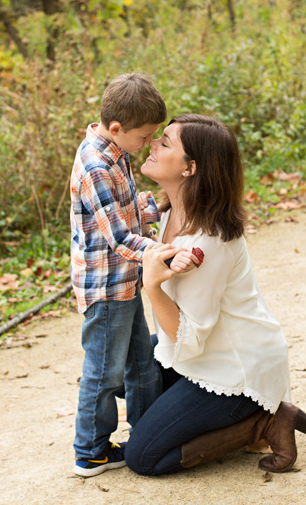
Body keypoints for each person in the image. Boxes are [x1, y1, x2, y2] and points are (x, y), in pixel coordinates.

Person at [124, 114, 306, 476]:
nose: (152, 144)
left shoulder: (209, 240)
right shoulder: (168, 212)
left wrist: (152, 286)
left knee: (143, 457)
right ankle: (179, 416)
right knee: (114, 367)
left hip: (233, 370)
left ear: (189, 168)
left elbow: (190, 339)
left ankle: (264, 422)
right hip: (202, 351)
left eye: (164, 143)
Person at [69, 74, 194, 478]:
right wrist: (165, 253)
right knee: (104, 371)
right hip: (105, 288)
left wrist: (159, 208)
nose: (148, 144)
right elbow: (120, 236)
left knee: (142, 363)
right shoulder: (95, 163)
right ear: (118, 128)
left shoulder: (117, 150)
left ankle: (144, 433)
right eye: (145, 137)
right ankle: (90, 450)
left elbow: (128, 210)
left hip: (126, 282)